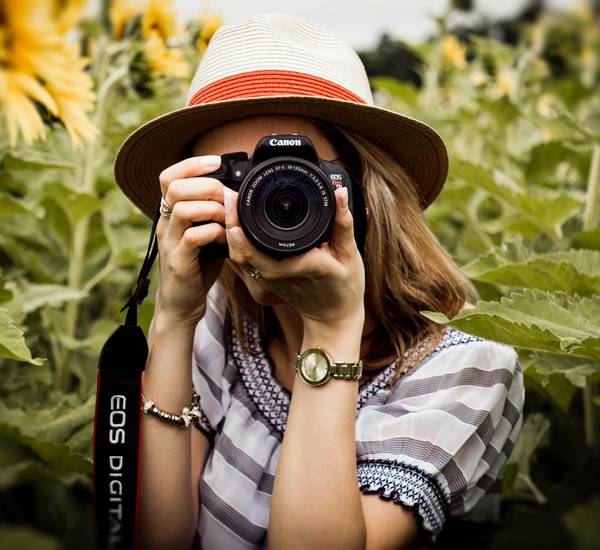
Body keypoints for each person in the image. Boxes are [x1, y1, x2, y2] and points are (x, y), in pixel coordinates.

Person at [113, 13, 525, 550]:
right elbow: (155, 539)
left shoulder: (470, 371)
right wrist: (173, 317)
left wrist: (331, 327)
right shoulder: (221, 318)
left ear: (365, 190)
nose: (267, 202)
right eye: (236, 177)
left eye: (293, 175)